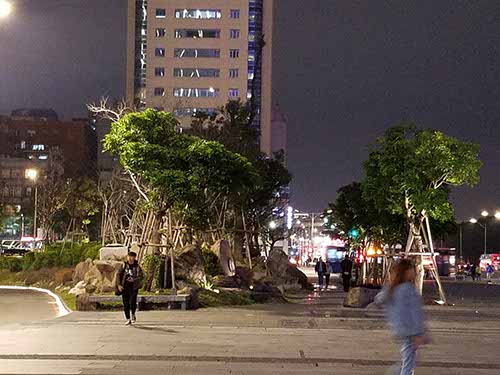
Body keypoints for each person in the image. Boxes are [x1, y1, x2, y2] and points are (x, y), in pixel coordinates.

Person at [376, 259, 428, 375]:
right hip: (410, 331)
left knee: (408, 359)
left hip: (400, 329)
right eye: (412, 269)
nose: (415, 272)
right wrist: (418, 332)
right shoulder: (407, 289)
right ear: (406, 271)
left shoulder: (391, 289)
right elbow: (413, 312)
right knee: (409, 363)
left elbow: (381, 302)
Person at [116, 251, 144, 325]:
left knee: (132, 302)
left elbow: (141, 277)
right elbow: (118, 275)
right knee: (125, 303)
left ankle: (133, 314)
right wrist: (119, 285)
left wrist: (134, 279)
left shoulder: (137, 267)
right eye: (129, 257)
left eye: (132, 257)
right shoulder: (123, 265)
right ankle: (128, 318)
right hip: (124, 286)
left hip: (134, 287)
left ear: (134, 258)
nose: (130, 258)